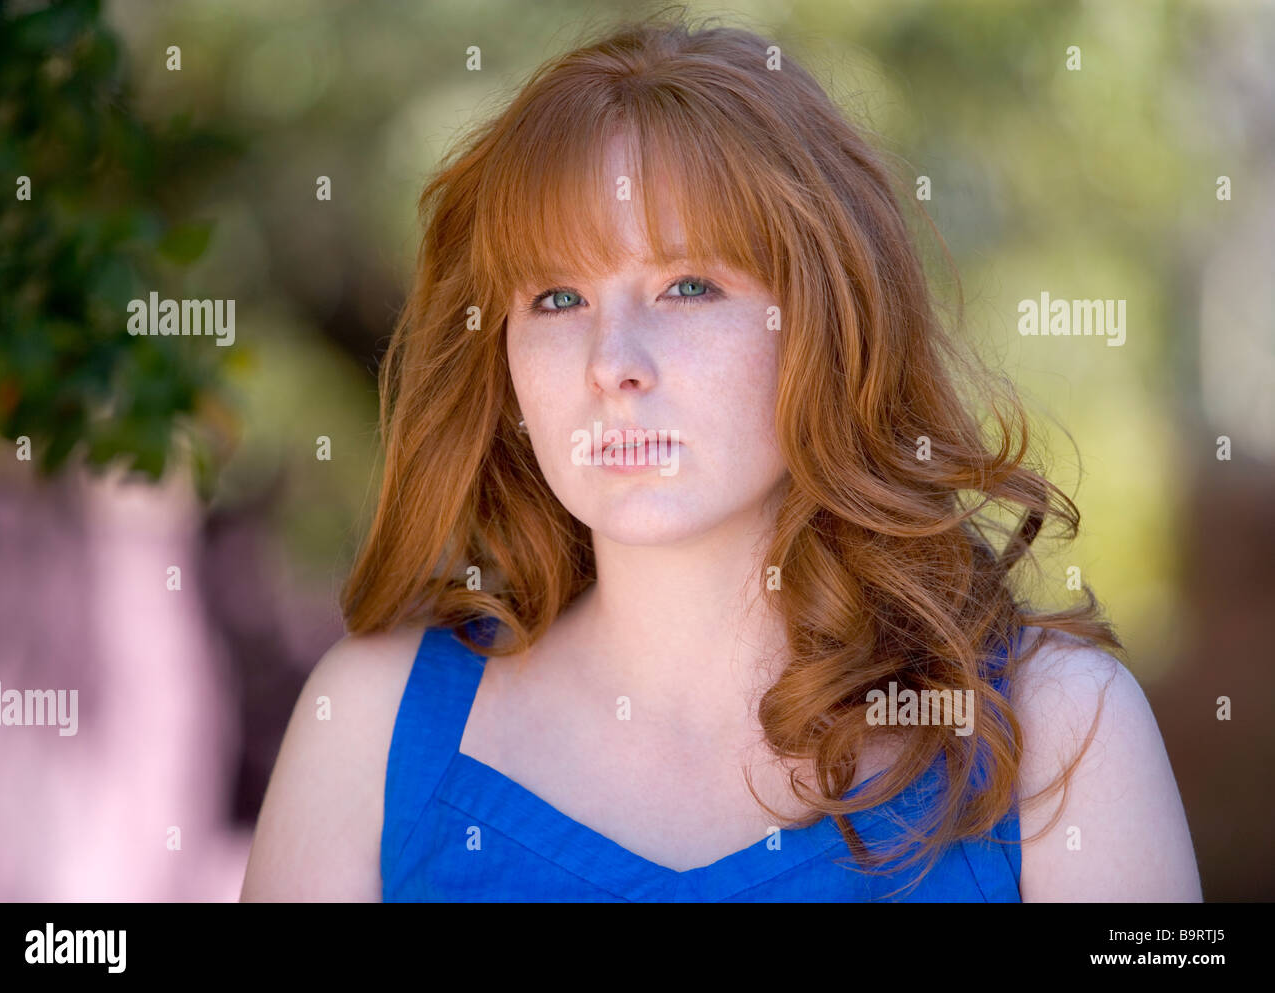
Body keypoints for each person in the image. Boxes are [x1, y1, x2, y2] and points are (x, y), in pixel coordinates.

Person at [240, 13, 1201, 902]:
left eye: (689, 284)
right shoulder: (369, 725)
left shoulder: (1058, 730)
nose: (613, 364)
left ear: (830, 327)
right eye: (558, 299)